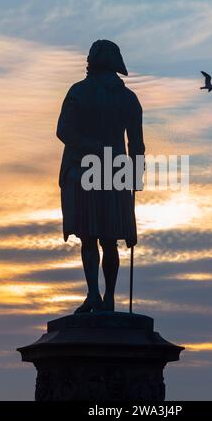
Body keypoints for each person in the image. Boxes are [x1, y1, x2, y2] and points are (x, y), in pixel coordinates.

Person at [56, 40, 145, 313]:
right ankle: (104, 297)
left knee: (91, 236)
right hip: (113, 172)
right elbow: (137, 146)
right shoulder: (127, 98)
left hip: (87, 169)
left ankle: (96, 295)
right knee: (107, 238)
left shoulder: (80, 92)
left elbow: (65, 132)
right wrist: (134, 178)